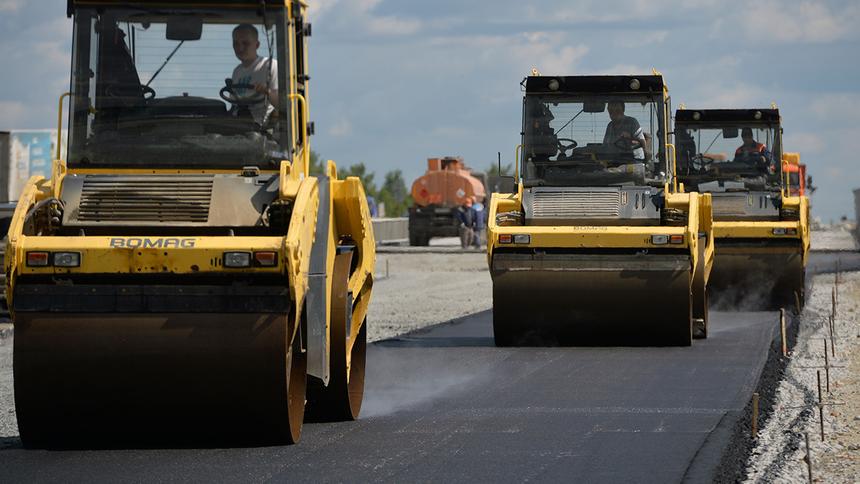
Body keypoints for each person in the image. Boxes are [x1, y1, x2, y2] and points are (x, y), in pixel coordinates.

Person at [230, 24, 278, 125]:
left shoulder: (269, 66)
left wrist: (267, 92)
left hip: (262, 128)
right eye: (236, 44)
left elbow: (282, 104)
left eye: (245, 43)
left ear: (257, 45)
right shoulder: (237, 71)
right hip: (238, 125)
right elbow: (233, 104)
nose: (240, 48)